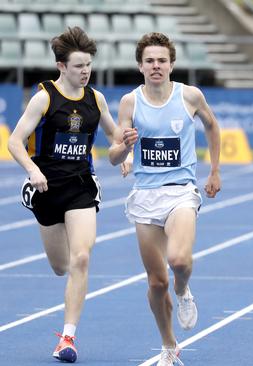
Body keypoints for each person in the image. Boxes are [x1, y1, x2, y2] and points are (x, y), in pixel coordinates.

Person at [108, 32, 221, 366]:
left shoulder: (189, 96)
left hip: (181, 190)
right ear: (140, 66)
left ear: (171, 64)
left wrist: (214, 171)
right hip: (145, 195)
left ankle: (184, 290)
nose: (156, 66)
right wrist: (125, 147)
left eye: (161, 60)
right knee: (157, 282)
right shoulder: (130, 102)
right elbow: (114, 157)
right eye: (149, 61)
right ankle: (169, 346)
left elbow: (213, 127)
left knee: (180, 262)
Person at [7, 27, 118, 363]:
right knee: (60, 266)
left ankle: (67, 338)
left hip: (81, 185)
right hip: (46, 187)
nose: (85, 72)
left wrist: (124, 148)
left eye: (88, 66)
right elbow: (14, 141)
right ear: (61, 66)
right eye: (79, 66)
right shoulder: (44, 97)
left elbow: (115, 140)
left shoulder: (95, 99)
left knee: (81, 258)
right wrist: (33, 170)